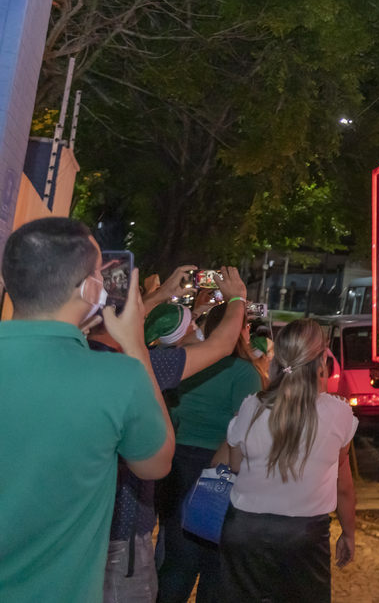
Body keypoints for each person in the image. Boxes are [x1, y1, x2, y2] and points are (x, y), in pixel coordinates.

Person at [0, 217, 174, 603]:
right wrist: (136, 346)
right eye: (100, 272)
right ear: (90, 288)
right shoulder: (119, 379)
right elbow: (157, 463)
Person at [87, 266, 251, 602]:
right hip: (123, 530)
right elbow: (221, 345)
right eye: (190, 324)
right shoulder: (145, 365)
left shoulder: (79, 355)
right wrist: (237, 298)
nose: (194, 326)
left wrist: (160, 295)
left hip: (78, 530)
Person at [215, 320, 358, 601]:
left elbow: (233, 467)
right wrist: (349, 534)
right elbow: (343, 486)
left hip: (244, 531)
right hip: (304, 536)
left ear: (277, 359)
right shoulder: (338, 414)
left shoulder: (251, 406)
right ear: (320, 362)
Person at [155, 278, 261, 603]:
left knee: (176, 560)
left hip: (176, 464)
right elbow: (245, 434)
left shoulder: (189, 362)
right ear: (237, 330)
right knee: (215, 563)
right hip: (220, 470)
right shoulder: (246, 374)